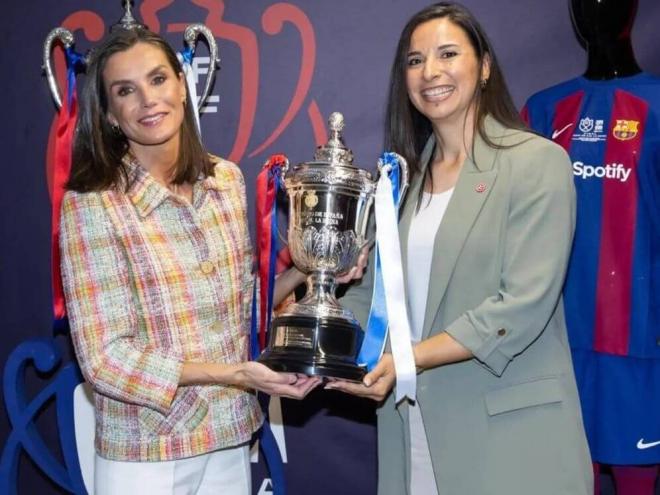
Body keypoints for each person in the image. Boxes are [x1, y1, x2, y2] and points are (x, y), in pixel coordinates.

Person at [326, 3, 593, 494]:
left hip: (509, 437)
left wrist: (408, 358)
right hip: (412, 432)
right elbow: (372, 297)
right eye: (414, 60)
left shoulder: (537, 164)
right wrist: (320, 346)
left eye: (448, 53)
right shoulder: (397, 184)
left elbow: (521, 306)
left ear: (484, 66)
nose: (431, 72)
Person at [59, 27, 321, 495]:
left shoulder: (225, 180)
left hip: (228, 436)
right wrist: (235, 373)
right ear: (111, 114)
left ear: (183, 85)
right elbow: (104, 359)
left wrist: (311, 267)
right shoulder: (93, 203)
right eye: (125, 90)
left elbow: (245, 304)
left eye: (158, 79)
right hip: (146, 452)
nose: (147, 100)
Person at [523, 1, 660, 493]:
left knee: (636, 477)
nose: (595, 8)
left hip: (640, 343)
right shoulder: (542, 110)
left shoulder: (657, 105)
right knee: (567, 476)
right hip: (554, 340)